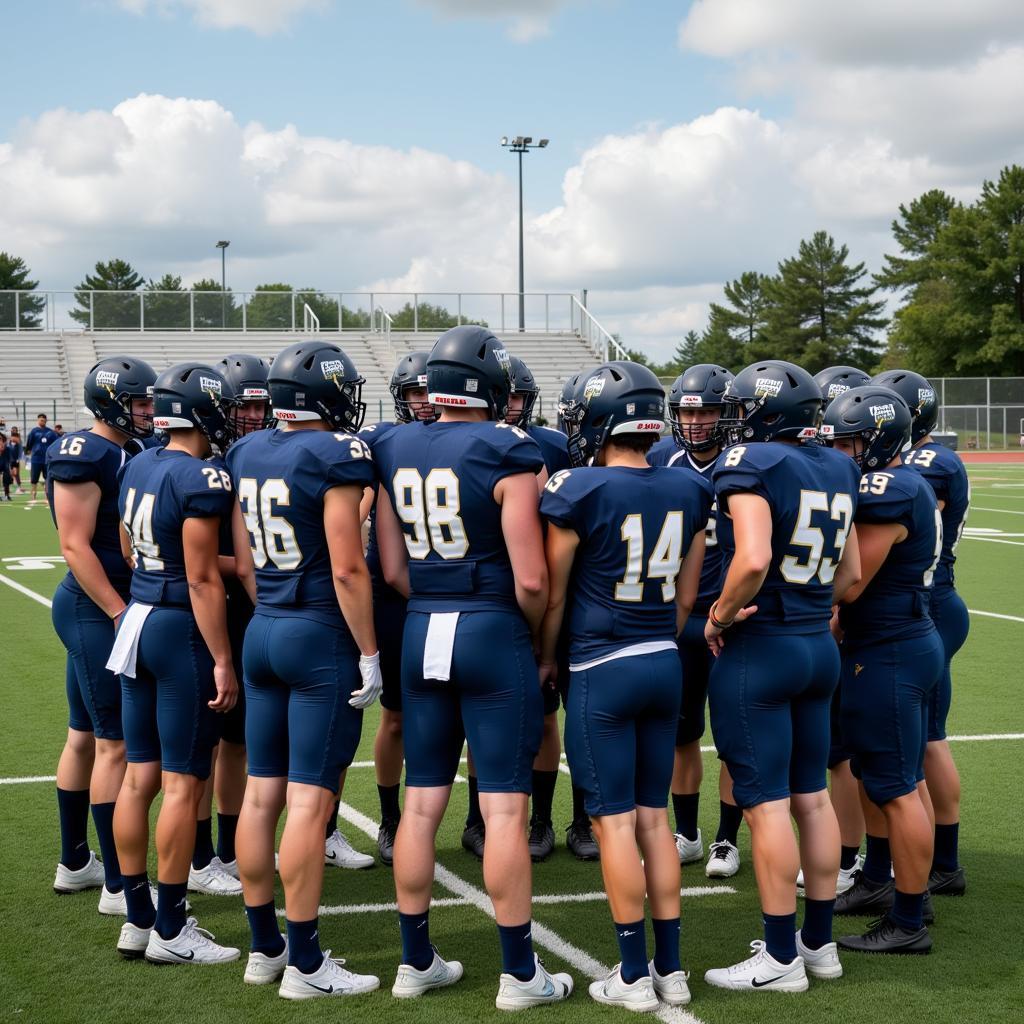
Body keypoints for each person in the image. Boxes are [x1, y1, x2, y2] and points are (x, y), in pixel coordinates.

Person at [373, 325, 573, 1008]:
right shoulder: (508, 449)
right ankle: (519, 974)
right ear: (492, 387)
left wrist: (436, 599)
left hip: (424, 623)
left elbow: (393, 568)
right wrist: (537, 640)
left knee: (423, 805)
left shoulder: (391, 443)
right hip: (490, 629)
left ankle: (413, 960)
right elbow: (535, 580)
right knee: (505, 810)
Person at [540, 361, 710, 1010]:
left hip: (601, 666)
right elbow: (687, 597)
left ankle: (634, 976)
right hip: (662, 658)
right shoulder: (688, 491)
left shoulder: (579, 489)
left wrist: (545, 655)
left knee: (613, 826)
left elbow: (553, 598)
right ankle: (672, 969)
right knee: (653, 820)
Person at [226, 340, 382, 999]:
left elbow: (242, 553)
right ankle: (307, 964)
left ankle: (265, 947)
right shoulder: (334, 455)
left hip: (264, 629)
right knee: (307, 802)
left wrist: (275, 610)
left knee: (261, 794)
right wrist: (369, 652)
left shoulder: (247, 450)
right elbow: (349, 567)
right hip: (318, 632)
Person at [701, 360, 861, 993]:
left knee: (765, 804)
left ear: (761, 414)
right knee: (812, 797)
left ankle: (778, 957)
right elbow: (848, 575)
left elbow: (755, 556)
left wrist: (717, 614)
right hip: (816, 647)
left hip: (762, 648)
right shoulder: (839, 467)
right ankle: (818, 944)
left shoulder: (752, 466)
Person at [110, 363, 240, 965]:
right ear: (205, 412)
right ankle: (170, 928)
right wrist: (221, 657)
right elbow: (202, 578)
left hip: (137, 616)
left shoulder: (138, 461)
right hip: (176, 626)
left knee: (140, 776)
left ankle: (137, 918)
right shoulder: (201, 476)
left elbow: (127, 541)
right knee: (183, 785)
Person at [822, 385, 944, 953]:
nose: (841, 453)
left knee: (897, 787)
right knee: (885, 776)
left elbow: (850, 580)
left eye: (850, 442)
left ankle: (910, 920)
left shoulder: (890, 489)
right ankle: (876, 879)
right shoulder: (902, 484)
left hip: (891, 648)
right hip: (894, 641)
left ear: (877, 442)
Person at [46, 357, 156, 914]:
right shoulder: (84, 453)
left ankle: (75, 863)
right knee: (113, 745)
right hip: (94, 606)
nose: (148, 410)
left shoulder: (126, 450)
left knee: (83, 735)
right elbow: (74, 544)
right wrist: (118, 612)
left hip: (100, 604)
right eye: (139, 402)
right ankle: (118, 882)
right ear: (112, 403)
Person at [874, 369, 970, 897]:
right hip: (933, 602)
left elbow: (906, 533)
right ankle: (935, 860)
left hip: (925, 605)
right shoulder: (925, 461)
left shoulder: (926, 465)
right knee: (923, 741)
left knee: (924, 743)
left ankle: (939, 864)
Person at [648, 363, 746, 879]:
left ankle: (727, 840)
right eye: (688, 410)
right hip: (682, 619)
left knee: (731, 736)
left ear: (726, 413)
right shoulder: (662, 458)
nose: (698, 421)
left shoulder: (744, 462)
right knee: (681, 733)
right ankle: (687, 832)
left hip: (732, 620)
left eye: (707, 410)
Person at [498, 355, 598, 863]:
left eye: (520, 396)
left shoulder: (558, 447)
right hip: (513, 600)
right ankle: (538, 819)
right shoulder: (481, 448)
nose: (513, 406)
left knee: (577, 715)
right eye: (506, 394)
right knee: (534, 718)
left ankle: (581, 817)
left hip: (571, 595)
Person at [183, 353, 275, 897]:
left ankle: (226, 848)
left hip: (249, 609)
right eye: (245, 406)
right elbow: (175, 554)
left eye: (263, 405)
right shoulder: (191, 462)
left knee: (238, 742)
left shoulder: (262, 453)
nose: (255, 416)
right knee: (206, 745)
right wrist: (244, 568)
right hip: (208, 610)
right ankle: (196, 856)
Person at [357, 351, 437, 866]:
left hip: (448, 591)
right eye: (416, 393)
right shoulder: (382, 443)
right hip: (399, 593)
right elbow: (358, 506)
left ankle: (477, 817)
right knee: (396, 717)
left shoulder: (476, 436)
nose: (426, 402)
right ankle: (390, 818)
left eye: (433, 391)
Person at [26, 412, 58, 500]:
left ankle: (47, 496)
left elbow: (55, 443)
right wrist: (28, 451)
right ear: (38, 420)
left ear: (46, 421)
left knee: (47, 478)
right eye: (40, 420)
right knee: (34, 479)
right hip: (36, 459)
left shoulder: (50, 432)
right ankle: (33, 495)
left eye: (43, 420)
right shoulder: (34, 431)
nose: (42, 421)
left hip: (46, 459)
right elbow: (29, 443)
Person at [8, 427, 24, 492]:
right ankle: (12, 484)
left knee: (16, 473)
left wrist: (19, 458)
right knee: (11, 473)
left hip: (16, 460)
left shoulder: (18, 444)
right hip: (10, 461)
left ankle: (19, 486)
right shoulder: (8, 444)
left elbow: (20, 451)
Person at [0, 433, 12, 500]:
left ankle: (7, 495)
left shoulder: (7, 449)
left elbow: (10, 459)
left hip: (5, 464)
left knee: (6, 480)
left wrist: (11, 468)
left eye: (1, 439)